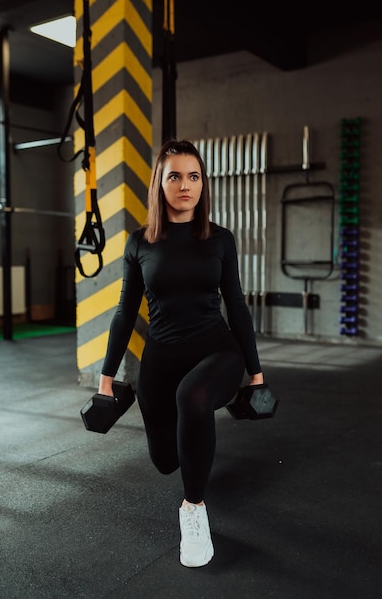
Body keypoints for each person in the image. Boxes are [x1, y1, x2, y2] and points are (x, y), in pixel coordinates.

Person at [99, 138, 264, 568]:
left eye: (194, 176)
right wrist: (106, 377)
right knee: (165, 461)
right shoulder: (139, 244)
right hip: (161, 359)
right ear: (160, 182)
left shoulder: (220, 240)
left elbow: (238, 305)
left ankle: (193, 511)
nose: (185, 185)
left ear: (202, 183)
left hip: (216, 349)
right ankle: (193, 441)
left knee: (193, 397)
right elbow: (123, 312)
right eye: (175, 176)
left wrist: (256, 373)